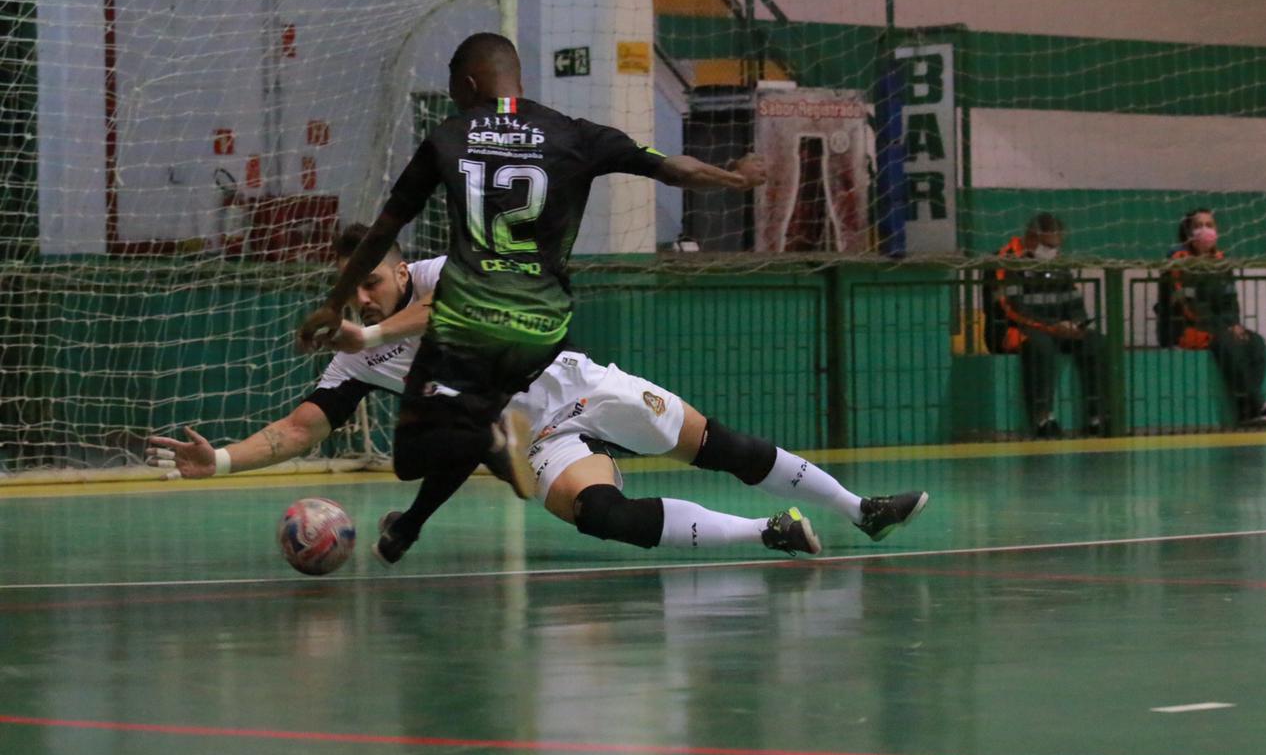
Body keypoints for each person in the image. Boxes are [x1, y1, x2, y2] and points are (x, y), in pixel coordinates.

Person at [149, 228, 929, 559]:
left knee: (718, 445)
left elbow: (449, 306)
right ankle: (770, 532)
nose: (363, 297)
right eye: (351, 289)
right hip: (532, 437)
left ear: (399, 268)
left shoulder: (438, 276)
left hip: (573, 384)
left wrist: (372, 331)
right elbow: (301, 428)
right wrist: (222, 460)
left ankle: (860, 509)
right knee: (602, 516)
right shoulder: (354, 358)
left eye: (373, 281)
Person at [295, 32, 772, 565]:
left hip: (471, 316)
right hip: (543, 324)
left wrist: (335, 303)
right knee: (468, 421)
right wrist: (734, 179)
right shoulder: (573, 133)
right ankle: (417, 517)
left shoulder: (451, 135)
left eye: (454, 89)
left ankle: (489, 446)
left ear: (468, 83)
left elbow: (385, 228)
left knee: (415, 455)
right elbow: (672, 168)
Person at [983, 212, 1107, 438]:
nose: (1054, 251)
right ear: (1032, 239)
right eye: (1049, 246)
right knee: (1040, 345)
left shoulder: (1057, 262)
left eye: (1056, 246)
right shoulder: (1005, 260)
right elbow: (1011, 308)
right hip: (1010, 330)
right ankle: (1043, 419)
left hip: (1055, 328)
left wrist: (1076, 323)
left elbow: (1073, 300)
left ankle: (1097, 417)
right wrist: (1053, 327)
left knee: (1096, 341)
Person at [1156, 208, 1266, 425]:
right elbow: (1189, 306)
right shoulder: (1177, 261)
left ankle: (1248, 409)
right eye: (1198, 225)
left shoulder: (1221, 261)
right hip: (1182, 328)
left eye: (1210, 225)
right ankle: (1259, 405)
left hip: (1219, 327)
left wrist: (1235, 324)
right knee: (1226, 341)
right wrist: (1224, 327)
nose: (1205, 230)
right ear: (1188, 232)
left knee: (1255, 342)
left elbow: (1229, 301)